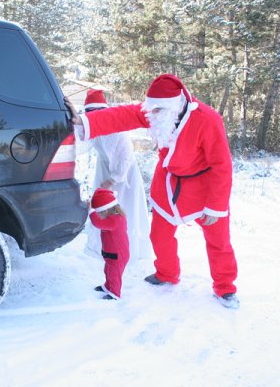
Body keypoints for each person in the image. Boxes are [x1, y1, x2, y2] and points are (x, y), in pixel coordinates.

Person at [67, 74, 240, 309]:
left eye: (158, 110)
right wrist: (84, 121)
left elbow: (222, 165)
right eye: (151, 109)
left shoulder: (208, 120)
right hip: (168, 181)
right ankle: (167, 272)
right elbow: (122, 116)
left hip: (205, 185)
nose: (152, 115)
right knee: (159, 234)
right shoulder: (157, 110)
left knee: (218, 239)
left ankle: (225, 287)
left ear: (174, 106)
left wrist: (216, 206)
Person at [77, 89, 153, 261]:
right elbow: (83, 143)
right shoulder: (92, 127)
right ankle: (105, 246)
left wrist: (113, 179)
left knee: (124, 208)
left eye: (94, 112)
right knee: (102, 207)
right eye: (88, 113)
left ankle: (128, 250)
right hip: (104, 169)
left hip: (124, 175)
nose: (92, 116)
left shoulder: (115, 129)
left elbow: (125, 155)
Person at [89, 188, 130, 300]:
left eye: (99, 213)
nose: (99, 216)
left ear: (106, 210)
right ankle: (108, 286)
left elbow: (98, 223)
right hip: (111, 253)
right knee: (108, 270)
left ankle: (115, 293)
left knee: (114, 274)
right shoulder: (114, 218)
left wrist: (91, 211)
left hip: (118, 254)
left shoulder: (115, 220)